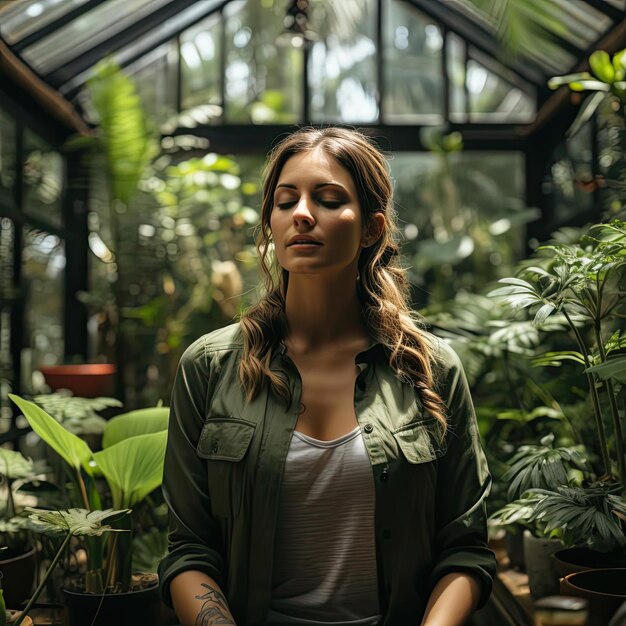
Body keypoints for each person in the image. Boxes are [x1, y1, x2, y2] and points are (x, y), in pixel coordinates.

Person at [158, 127, 496, 626]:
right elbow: (189, 548)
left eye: (329, 199)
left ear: (371, 229)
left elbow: (465, 549)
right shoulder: (209, 367)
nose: (301, 213)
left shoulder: (431, 368)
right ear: (270, 222)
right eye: (285, 200)